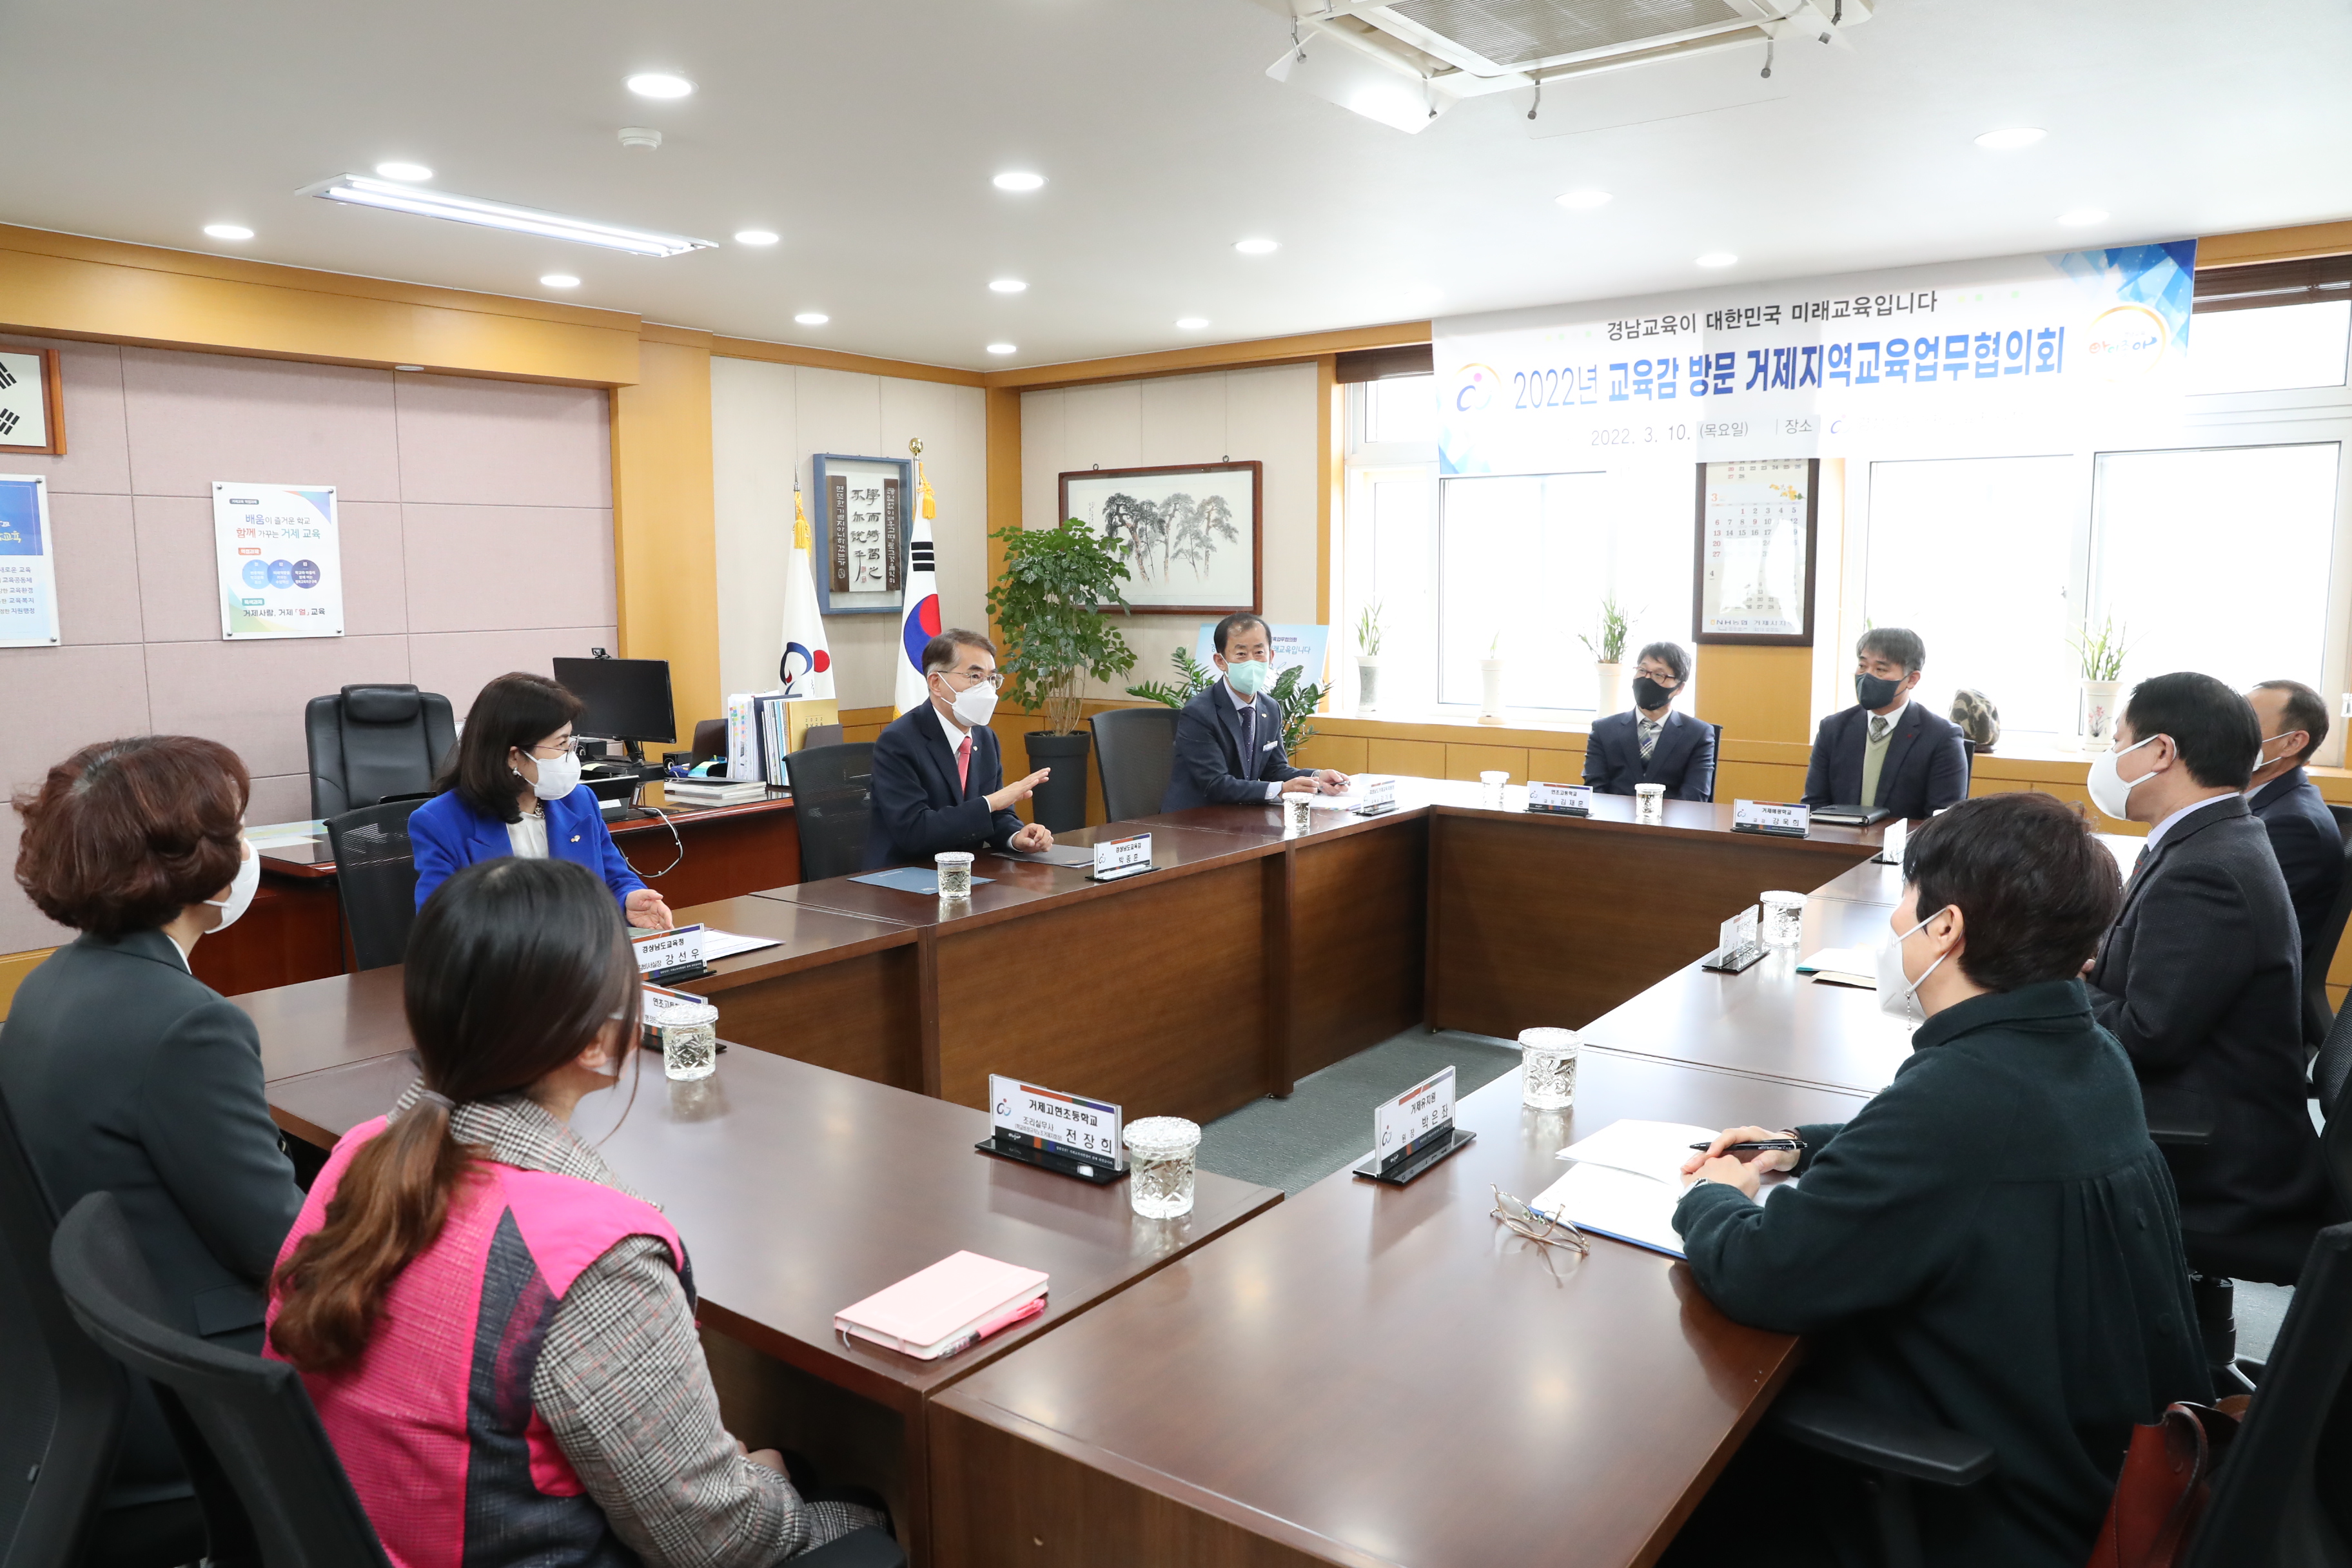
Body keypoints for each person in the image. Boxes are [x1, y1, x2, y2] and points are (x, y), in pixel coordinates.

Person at [266, 858, 887, 1565]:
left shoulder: (361, 1153)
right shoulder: (592, 1259)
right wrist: (772, 1487)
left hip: (381, 1537)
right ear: (596, 1039)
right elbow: (717, 1544)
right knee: (863, 1516)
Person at [1665, 792, 2208, 1568]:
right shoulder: (2087, 1052)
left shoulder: (1961, 1097)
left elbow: (1763, 1272)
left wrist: (1712, 1193)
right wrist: (1799, 1144)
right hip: (2092, 1462)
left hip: (1984, 1506)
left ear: (1946, 927)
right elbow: (1952, 1159)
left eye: (1907, 903)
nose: (1896, 925)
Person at [1, 735, 302, 1496]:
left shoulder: (46, 985)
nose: (245, 848)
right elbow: (285, 1250)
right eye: (235, 830)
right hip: (192, 1383)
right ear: (193, 864)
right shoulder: (188, 1024)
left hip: (76, 1367)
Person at [2084, 671, 2329, 1236]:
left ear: (2161, 752)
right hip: (2207, 1112)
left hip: (2216, 1160)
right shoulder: (2211, 836)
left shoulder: (2206, 869)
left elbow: (2147, 1035)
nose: (2111, 757)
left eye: (2119, 743)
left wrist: (2057, 983)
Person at [411, 671, 674, 928]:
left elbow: (615, 879)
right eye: (561, 745)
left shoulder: (579, 801)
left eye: (571, 742)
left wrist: (630, 899)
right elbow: (440, 926)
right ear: (514, 756)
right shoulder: (440, 821)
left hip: (582, 961)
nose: (571, 755)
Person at [864, 629, 1054, 869]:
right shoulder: (898, 741)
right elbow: (915, 831)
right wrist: (989, 803)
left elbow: (996, 816)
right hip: (903, 875)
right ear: (936, 683)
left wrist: (1017, 837)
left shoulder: (985, 738)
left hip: (964, 873)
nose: (986, 688)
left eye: (991, 678)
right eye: (974, 676)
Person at [1162, 613, 1348, 811]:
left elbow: (1275, 769)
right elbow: (1215, 784)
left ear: (1271, 657)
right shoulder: (1199, 712)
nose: (1252, 662)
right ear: (1221, 661)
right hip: (1193, 820)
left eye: (1259, 653)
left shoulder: (1270, 707)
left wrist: (1317, 777)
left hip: (1240, 815)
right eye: (1241, 654)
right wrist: (1280, 790)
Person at [1800, 627, 1969, 818]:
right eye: (1863, 667)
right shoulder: (1833, 729)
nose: (1867, 676)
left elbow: (1941, 820)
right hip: (1840, 843)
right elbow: (1814, 805)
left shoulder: (1941, 737)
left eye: (1880, 669)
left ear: (1911, 680)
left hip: (1906, 846)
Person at [2244, 678, 2344, 981]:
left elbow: (2231, 930)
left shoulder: (2293, 826)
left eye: (2247, 722)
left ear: (2293, 742)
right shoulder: (2255, 799)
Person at [1582, 640, 1716, 801]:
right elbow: (1595, 790)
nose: (1646, 679)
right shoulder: (1604, 729)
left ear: (1679, 688)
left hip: (1671, 823)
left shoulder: (1698, 734)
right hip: (1613, 821)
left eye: (1658, 675)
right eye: (1642, 670)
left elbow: (1695, 795)